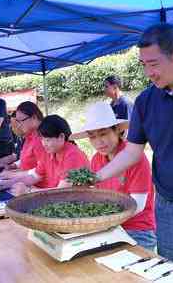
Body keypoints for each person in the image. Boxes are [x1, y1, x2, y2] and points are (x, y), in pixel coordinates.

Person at [95, 23, 173, 272]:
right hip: (169, 209)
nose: (148, 73)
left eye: (153, 64)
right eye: (143, 65)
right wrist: (95, 177)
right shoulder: (145, 101)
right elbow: (132, 152)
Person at [70, 101, 156, 250]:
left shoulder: (135, 157)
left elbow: (138, 206)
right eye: (92, 137)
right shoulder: (97, 159)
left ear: (117, 130)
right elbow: (95, 196)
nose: (99, 142)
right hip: (107, 227)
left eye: (103, 133)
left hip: (137, 230)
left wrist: (101, 219)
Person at [9, 114, 89, 195]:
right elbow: (35, 176)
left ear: (61, 136)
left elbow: (62, 192)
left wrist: (28, 191)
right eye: (42, 139)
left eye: (47, 140)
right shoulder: (50, 152)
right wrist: (10, 183)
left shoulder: (73, 155)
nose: (44, 144)